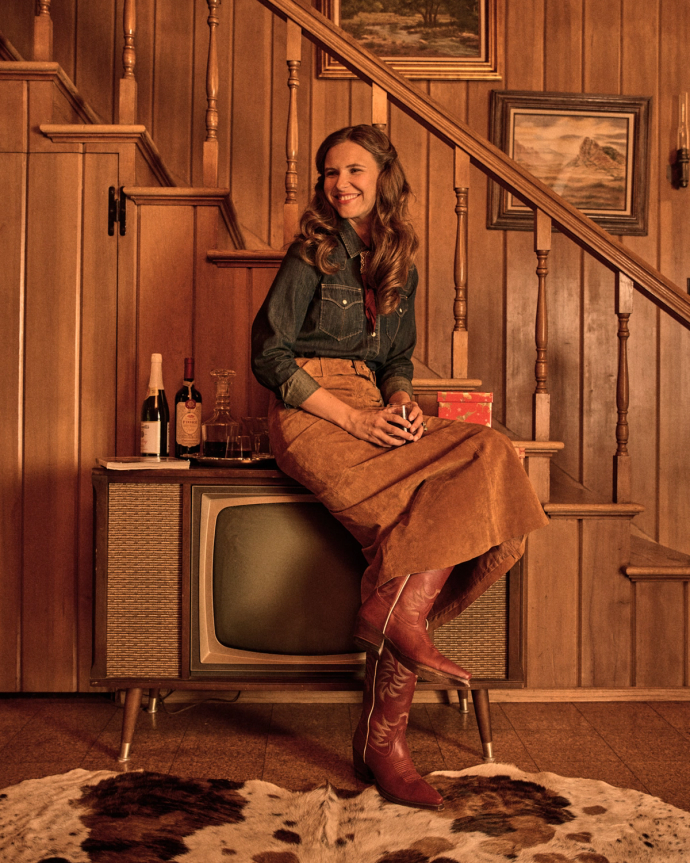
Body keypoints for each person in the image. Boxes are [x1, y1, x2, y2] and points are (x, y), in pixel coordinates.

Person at [251, 124, 548, 811]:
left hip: (372, 404)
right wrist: (354, 419)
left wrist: (399, 404)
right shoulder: (312, 251)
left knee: (491, 449)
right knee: (414, 532)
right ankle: (387, 743)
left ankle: (389, 628)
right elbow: (270, 354)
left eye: (353, 170)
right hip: (311, 412)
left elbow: (396, 361)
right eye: (329, 172)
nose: (339, 184)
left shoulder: (400, 263)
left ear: (383, 176)